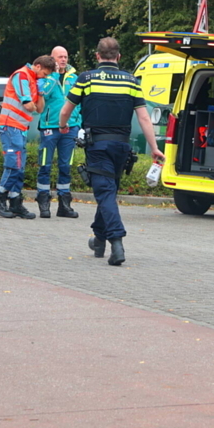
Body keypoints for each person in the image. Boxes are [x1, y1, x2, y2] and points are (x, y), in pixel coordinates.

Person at [58, 37, 165, 266]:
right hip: (122, 148)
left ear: (97, 56)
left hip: (98, 146)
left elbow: (67, 109)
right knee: (108, 191)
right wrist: (154, 147)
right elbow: (144, 116)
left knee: (105, 193)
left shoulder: (86, 78)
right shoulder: (131, 80)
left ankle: (117, 242)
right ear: (118, 57)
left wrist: (62, 126)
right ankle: (99, 239)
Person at [0, 55, 55, 219]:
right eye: (45, 74)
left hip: (20, 128)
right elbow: (28, 104)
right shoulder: (22, 75)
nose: (45, 78)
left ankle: (15, 201)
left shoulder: (33, 80)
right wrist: (33, 103)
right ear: (38, 66)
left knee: (19, 167)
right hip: (10, 126)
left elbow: (39, 109)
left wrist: (40, 93)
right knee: (13, 165)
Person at [34, 46, 81, 219]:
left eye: (66, 57)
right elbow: (42, 93)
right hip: (50, 127)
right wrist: (53, 74)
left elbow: (79, 101)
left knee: (65, 166)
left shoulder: (74, 78)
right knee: (45, 165)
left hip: (71, 127)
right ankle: (44, 202)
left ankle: (64, 204)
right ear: (52, 59)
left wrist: (79, 122)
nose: (63, 60)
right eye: (60, 57)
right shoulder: (45, 78)